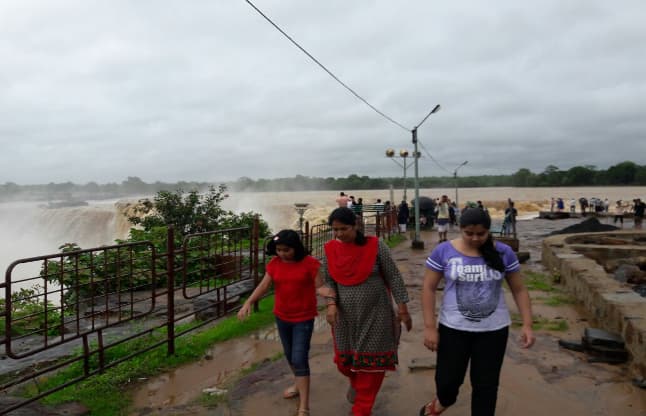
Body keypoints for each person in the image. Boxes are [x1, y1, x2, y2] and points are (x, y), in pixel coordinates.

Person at [419, 208, 535, 416]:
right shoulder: (444, 251)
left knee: (486, 387)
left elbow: (519, 289)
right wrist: (429, 327)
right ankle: (442, 402)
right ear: (460, 229)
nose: (475, 238)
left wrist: (527, 324)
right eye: (469, 233)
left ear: (489, 231)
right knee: (447, 382)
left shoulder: (503, 252)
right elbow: (428, 288)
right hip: (453, 329)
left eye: (481, 234)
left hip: (493, 331)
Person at [322, 207, 412, 416]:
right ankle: (356, 381)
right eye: (335, 230)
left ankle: (361, 409)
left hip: (376, 313)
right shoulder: (329, 249)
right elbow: (328, 282)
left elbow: (394, 277)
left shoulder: (375, 245)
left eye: (344, 229)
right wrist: (331, 305)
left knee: (373, 364)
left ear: (356, 226)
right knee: (344, 363)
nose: (339, 234)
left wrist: (403, 309)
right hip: (345, 317)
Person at [237, 230, 323, 415]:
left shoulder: (310, 264)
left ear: (296, 248)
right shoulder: (274, 263)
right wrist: (248, 302)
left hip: (303, 318)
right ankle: (297, 383)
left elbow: (321, 286)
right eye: (279, 250)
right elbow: (264, 285)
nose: (282, 253)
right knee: (290, 355)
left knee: (299, 358)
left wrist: (331, 300)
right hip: (282, 317)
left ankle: (304, 407)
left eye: (286, 250)